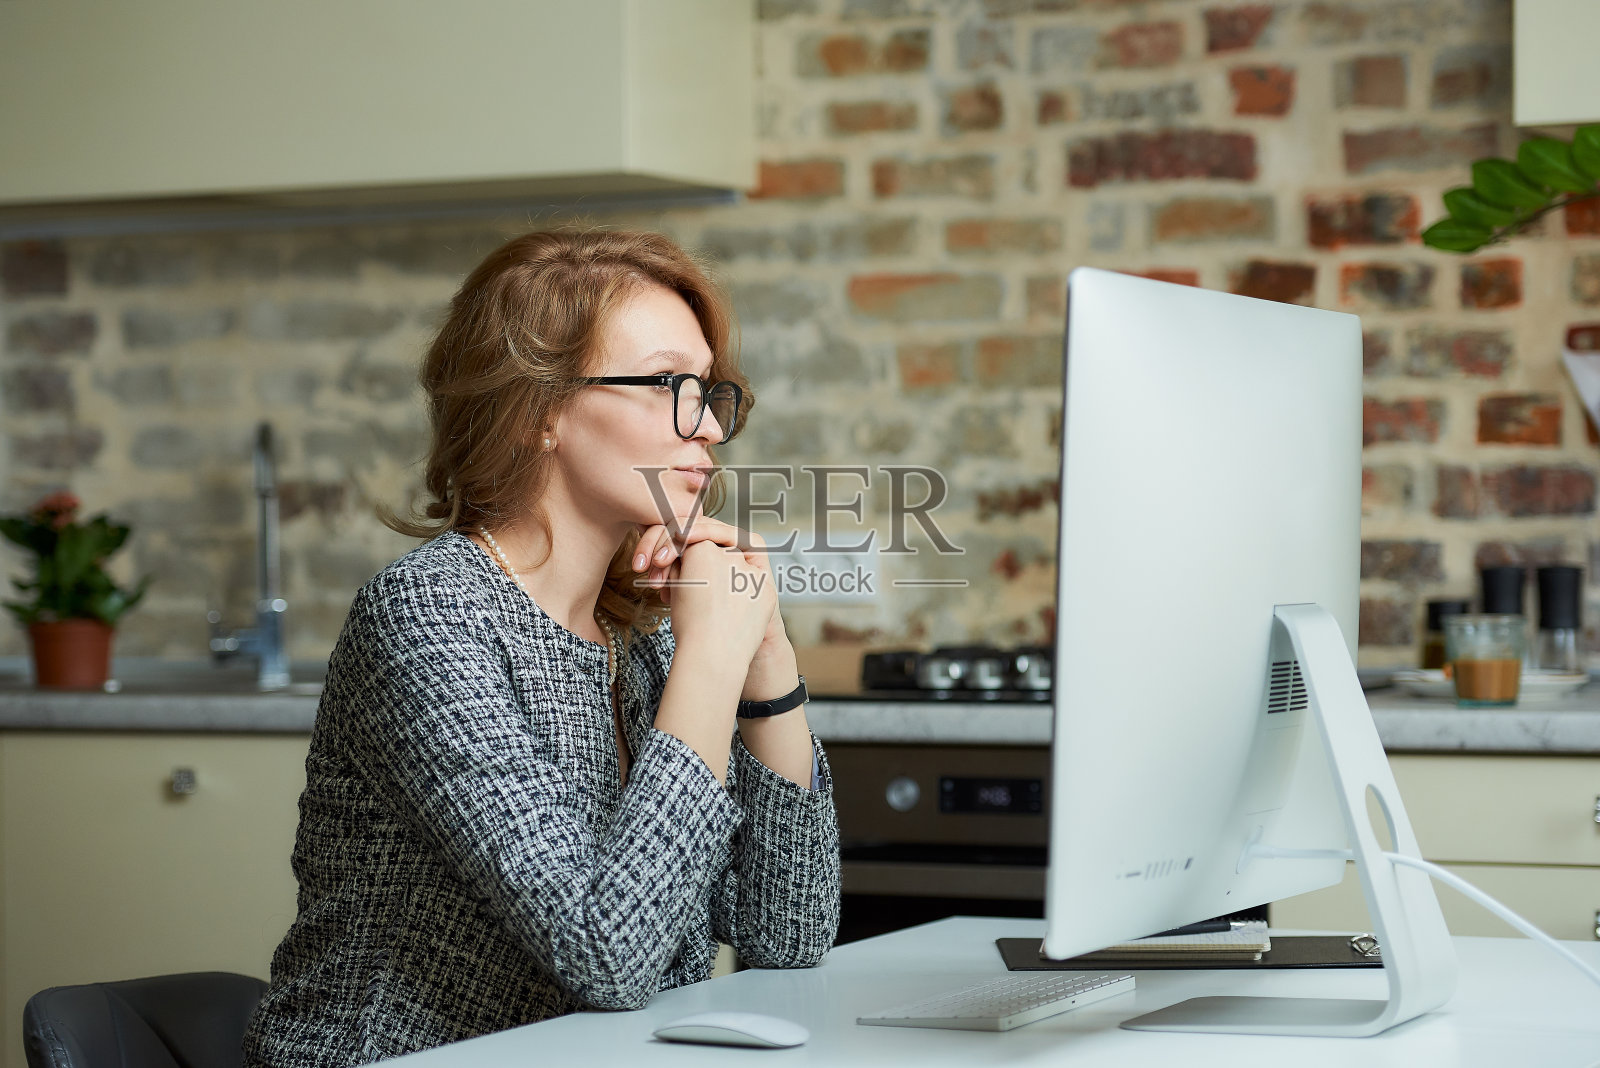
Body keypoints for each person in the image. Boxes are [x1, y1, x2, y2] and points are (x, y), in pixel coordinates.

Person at [241, 229, 841, 1067]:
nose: (708, 425)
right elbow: (607, 953)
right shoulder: (429, 615)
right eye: (669, 385)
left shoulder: (643, 633)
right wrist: (711, 657)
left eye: (709, 390)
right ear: (539, 412)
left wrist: (765, 654)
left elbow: (791, 934)